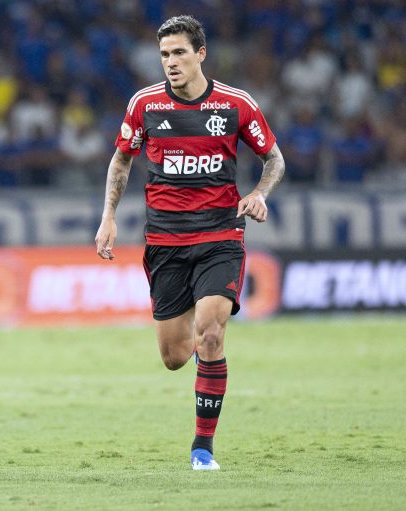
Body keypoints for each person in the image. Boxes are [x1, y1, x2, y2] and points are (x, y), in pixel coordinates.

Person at [95, 15, 285, 471]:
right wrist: (107, 218)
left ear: (201, 54)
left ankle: (203, 449)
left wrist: (258, 194)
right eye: (164, 55)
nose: (171, 62)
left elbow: (273, 159)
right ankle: (204, 356)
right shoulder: (145, 105)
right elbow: (121, 161)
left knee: (212, 333)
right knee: (176, 356)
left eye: (179, 52)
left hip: (221, 234)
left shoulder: (236, 105)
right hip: (165, 240)